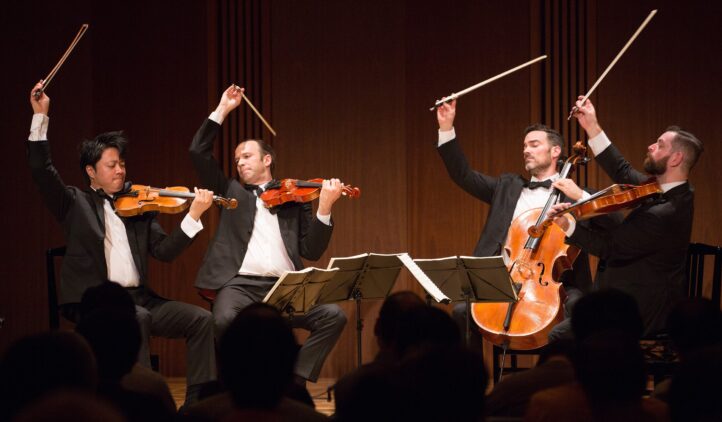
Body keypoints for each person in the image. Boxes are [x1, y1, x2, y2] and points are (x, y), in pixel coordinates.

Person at [26, 81, 217, 405]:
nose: (120, 171)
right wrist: (40, 117)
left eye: (122, 164)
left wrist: (193, 216)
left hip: (141, 299)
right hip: (96, 302)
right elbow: (41, 169)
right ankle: (139, 402)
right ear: (91, 171)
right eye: (111, 166)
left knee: (202, 320)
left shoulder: (138, 208)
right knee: (138, 318)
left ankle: (198, 404)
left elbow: (165, 252)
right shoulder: (73, 202)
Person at [189, 85, 347, 385]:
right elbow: (198, 152)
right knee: (222, 320)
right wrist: (223, 108)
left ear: (267, 160)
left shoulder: (295, 197)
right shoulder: (230, 191)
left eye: (247, 156)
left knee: (333, 315)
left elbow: (311, 250)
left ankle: (293, 380)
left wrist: (324, 207)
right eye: (237, 160)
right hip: (240, 286)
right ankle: (239, 383)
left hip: (286, 287)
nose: (240, 163)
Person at [435, 99, 593, 345]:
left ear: (555, 151)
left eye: (534, 144)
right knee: (461, 313)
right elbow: (462, 175)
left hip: (557, 284)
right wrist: (446, 128)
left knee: (579, 308)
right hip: (505, 280)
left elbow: (606, 222)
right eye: (524, 146)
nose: (526, 150)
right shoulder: (506, 188)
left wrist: (579, 198)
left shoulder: (574, 194)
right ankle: (470, 380)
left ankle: (566, 377)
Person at [551, 96, 704, 337]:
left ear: (676, 159)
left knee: (558, 335)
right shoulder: (671, 189)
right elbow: (621, 170)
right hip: (627, 294)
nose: (651, 146)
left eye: (660, 144)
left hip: (640, 308)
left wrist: (568, 225)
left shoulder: (665, 213)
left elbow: (609, 247)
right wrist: (591, 125)